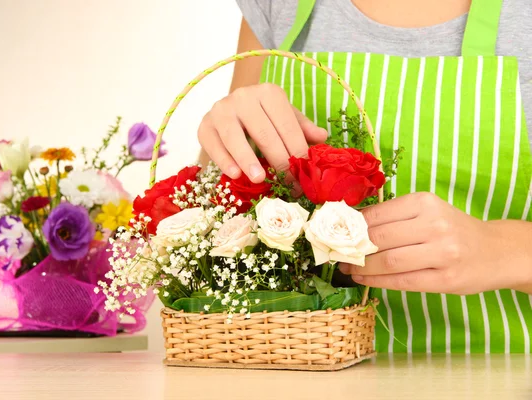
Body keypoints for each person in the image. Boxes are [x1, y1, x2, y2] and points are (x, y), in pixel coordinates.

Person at [198, 0, 532, 353]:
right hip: (297, 370)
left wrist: (506, 249)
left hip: (498, 375)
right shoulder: (278, 5)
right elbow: (210, 203)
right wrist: (229, 134)